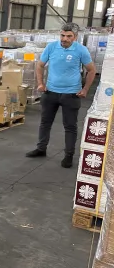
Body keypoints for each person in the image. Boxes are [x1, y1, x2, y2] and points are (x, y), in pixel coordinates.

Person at [26, 22, 96, 168]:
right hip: (50, 92)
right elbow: (39, 65)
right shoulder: (51, 47)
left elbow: (91, 70)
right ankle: (41, 148)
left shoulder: (81, 50)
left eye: (68, 36)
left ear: (75, 37)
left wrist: (85, 90)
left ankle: (68, 155)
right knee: (45, 123)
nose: (64, 39)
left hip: (71, 95)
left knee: (70, 126)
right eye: (62, 35)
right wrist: (40, 83)